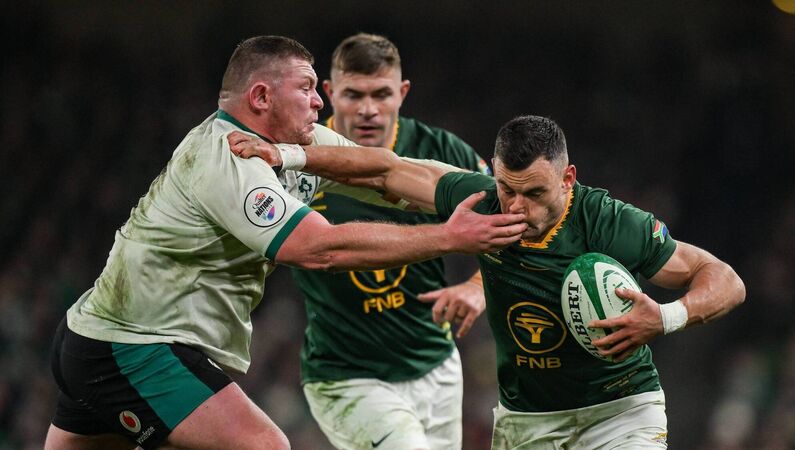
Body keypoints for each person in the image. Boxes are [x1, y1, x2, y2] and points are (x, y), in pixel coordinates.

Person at [43, 36, 529, 450]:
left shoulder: (299, 147)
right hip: (132, 346)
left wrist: (503, 193)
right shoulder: (227, 157)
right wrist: (449, 237)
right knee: (266, 446)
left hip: (100, 339)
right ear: (261, 96)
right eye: (307, 88)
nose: (319, 102)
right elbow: (321, 249)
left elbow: (388, 173)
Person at [231, 115, 746, 449]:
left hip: (619, 412)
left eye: (535, 193)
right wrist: (288, 155)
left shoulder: (611, 223)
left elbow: (724, 279)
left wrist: (666, 317)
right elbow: (386, 171)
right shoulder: (482, 202)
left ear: (568, 179)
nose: (517, 207)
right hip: (527, 423)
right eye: (507, 189)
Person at [289, 33, 490, 450]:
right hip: (347, 377)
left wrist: (477, 287)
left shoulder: (441, 151)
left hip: (437, 367)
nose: (368, 109)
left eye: (381, 94)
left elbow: (515, 222)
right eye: (353, 95)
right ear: (329, 93)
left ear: (402, 93)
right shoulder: (299, 156)